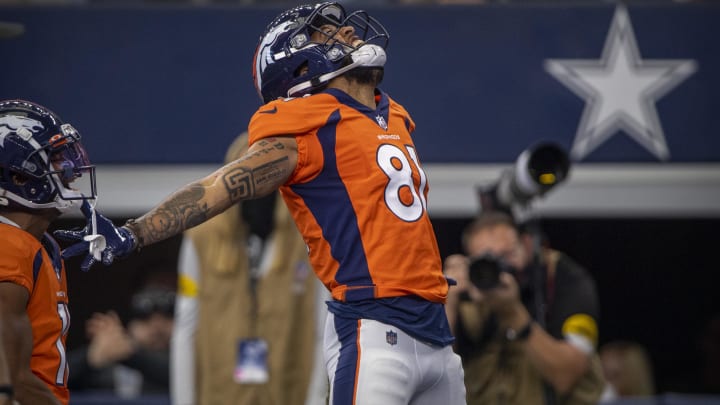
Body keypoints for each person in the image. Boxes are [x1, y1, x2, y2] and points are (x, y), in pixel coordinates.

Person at [54, 3, 467, 404]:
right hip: (375, 331)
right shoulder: (304, 128)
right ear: (300, 67)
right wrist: (134, 232)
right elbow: (220, 187)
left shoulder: (390, 114)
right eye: (324, 32)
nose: (347, 32)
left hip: (436, 334)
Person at [170, 132, 329, 405]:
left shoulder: (308, 238)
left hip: (288, 389)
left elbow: (322, 327)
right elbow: (186, 326)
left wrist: (315, 399)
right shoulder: (202, 238)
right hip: (222, 392)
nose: (257, 192)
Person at [443, 211, 605, 405]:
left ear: (526, 244)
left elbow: (566, 376)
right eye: (486, 259)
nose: (498, 268)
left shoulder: (563, 280)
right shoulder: (467, 291)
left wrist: (513, 313)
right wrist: (447, 302)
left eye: (506, 255)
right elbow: (437, 374)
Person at [0, 99, 97, 405]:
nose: (70, 167)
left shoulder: (41, 243)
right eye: (54, 158)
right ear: (18, 176)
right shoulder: (8, 245)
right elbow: (10, 379)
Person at [67, 285, 175, 398]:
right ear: (129, 326)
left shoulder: (184, 363)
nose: (157, 328)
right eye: (145, 319)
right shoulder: (105, 363)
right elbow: (54, 382)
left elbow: (181, 376)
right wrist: (88, 358)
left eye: (167, 317)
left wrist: (130, 353)